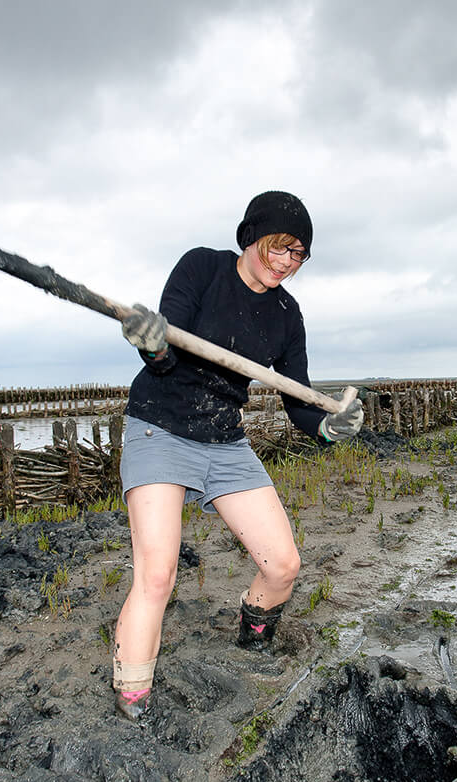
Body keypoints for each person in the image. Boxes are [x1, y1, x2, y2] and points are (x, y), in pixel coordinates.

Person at [110, 191, 365, 721]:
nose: (288, 262)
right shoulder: (201, 268)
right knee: (157, 575)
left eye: (299, 255)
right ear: (253, 235)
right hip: (161, 425)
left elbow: (298, 400)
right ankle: (132, 697)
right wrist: (153, 345)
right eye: (281, 247)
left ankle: (253, 637)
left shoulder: (286, 316)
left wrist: (328, 426)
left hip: (224, 439)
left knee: (284, 565)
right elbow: (164, 355)